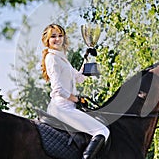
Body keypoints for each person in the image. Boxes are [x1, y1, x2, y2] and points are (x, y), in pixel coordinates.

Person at [41, 24, 110, 159]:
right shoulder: (52, 58)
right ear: (47, 40)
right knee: (102, 130)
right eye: (53, 36)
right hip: (61, 108)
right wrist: (76, 99)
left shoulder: (62, 58)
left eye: (60, 36)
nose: (58, 39)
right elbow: (58, 89)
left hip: (68, 106)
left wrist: (89, 58)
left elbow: (78, 78)